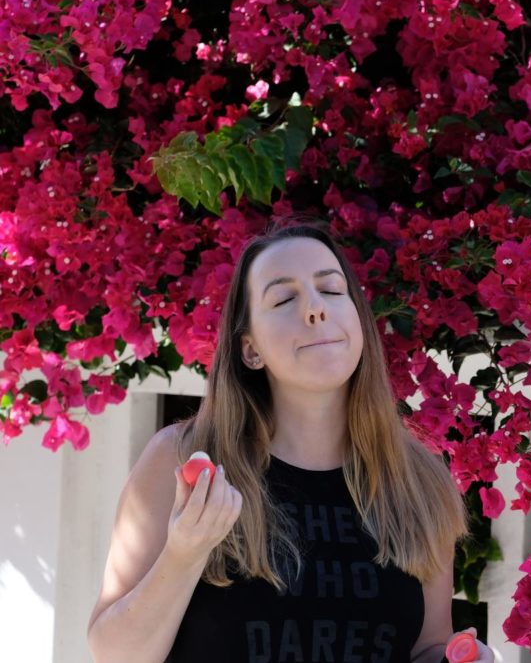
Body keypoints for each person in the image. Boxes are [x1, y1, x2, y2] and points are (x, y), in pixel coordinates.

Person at [87, 221, 494, 663]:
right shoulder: (185, 459)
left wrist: (464, 660)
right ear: (250, 349)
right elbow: (114, 655)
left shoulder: (416, 479)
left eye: (333, 291)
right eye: (283, 298)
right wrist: (184, 553)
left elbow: (428, 647)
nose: (316, 309)